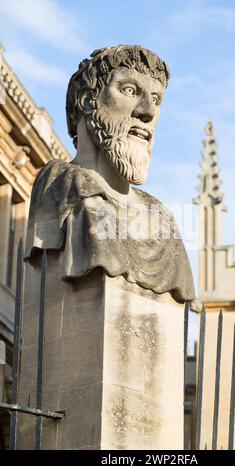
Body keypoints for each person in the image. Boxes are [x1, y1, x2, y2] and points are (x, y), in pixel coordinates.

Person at [25, 45, 194, 304]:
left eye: (157, 99)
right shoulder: (60, 186)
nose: (148, 112)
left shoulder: (162, 219)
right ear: (87, 100)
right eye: (129, 90)